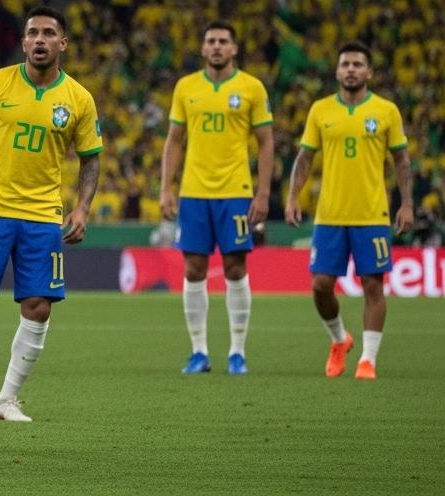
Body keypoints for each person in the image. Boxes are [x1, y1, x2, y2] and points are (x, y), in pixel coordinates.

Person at [0, 7, 101, 426]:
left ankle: (7, 399)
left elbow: (91, 158)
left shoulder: (79, 98)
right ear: (23, 42)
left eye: (49, 33)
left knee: (39, 307)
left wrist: (82, 207)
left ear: (63, 43)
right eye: (33, 33)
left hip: (42, 216)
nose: (40, 39)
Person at [286, 41, 413, 380]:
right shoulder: (320, 110)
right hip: (330, 215)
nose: (351, 69)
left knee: (373, 285)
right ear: (337, 71)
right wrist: (293, 197)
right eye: (345, 64)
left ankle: (368, 360)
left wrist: (407, 204)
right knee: (320, 285)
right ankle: (340, 339)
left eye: (358, 64)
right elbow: (304, 157)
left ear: (369, 72)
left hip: (372, 215)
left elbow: (401, 159)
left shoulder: (386, 111)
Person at [159, 21, 274, 375]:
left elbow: (266, 142)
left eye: (223, 41)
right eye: (211, 41)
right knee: (194, 268)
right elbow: (174, 140)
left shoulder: (251, 88)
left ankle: (237, 352)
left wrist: (263, 192)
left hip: (235, 192)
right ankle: (199, 352)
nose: (217, 46)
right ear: (203, 47)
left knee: (235, 267)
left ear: (234, 48)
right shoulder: (186, 87)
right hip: (194, 193)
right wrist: (166, 187)